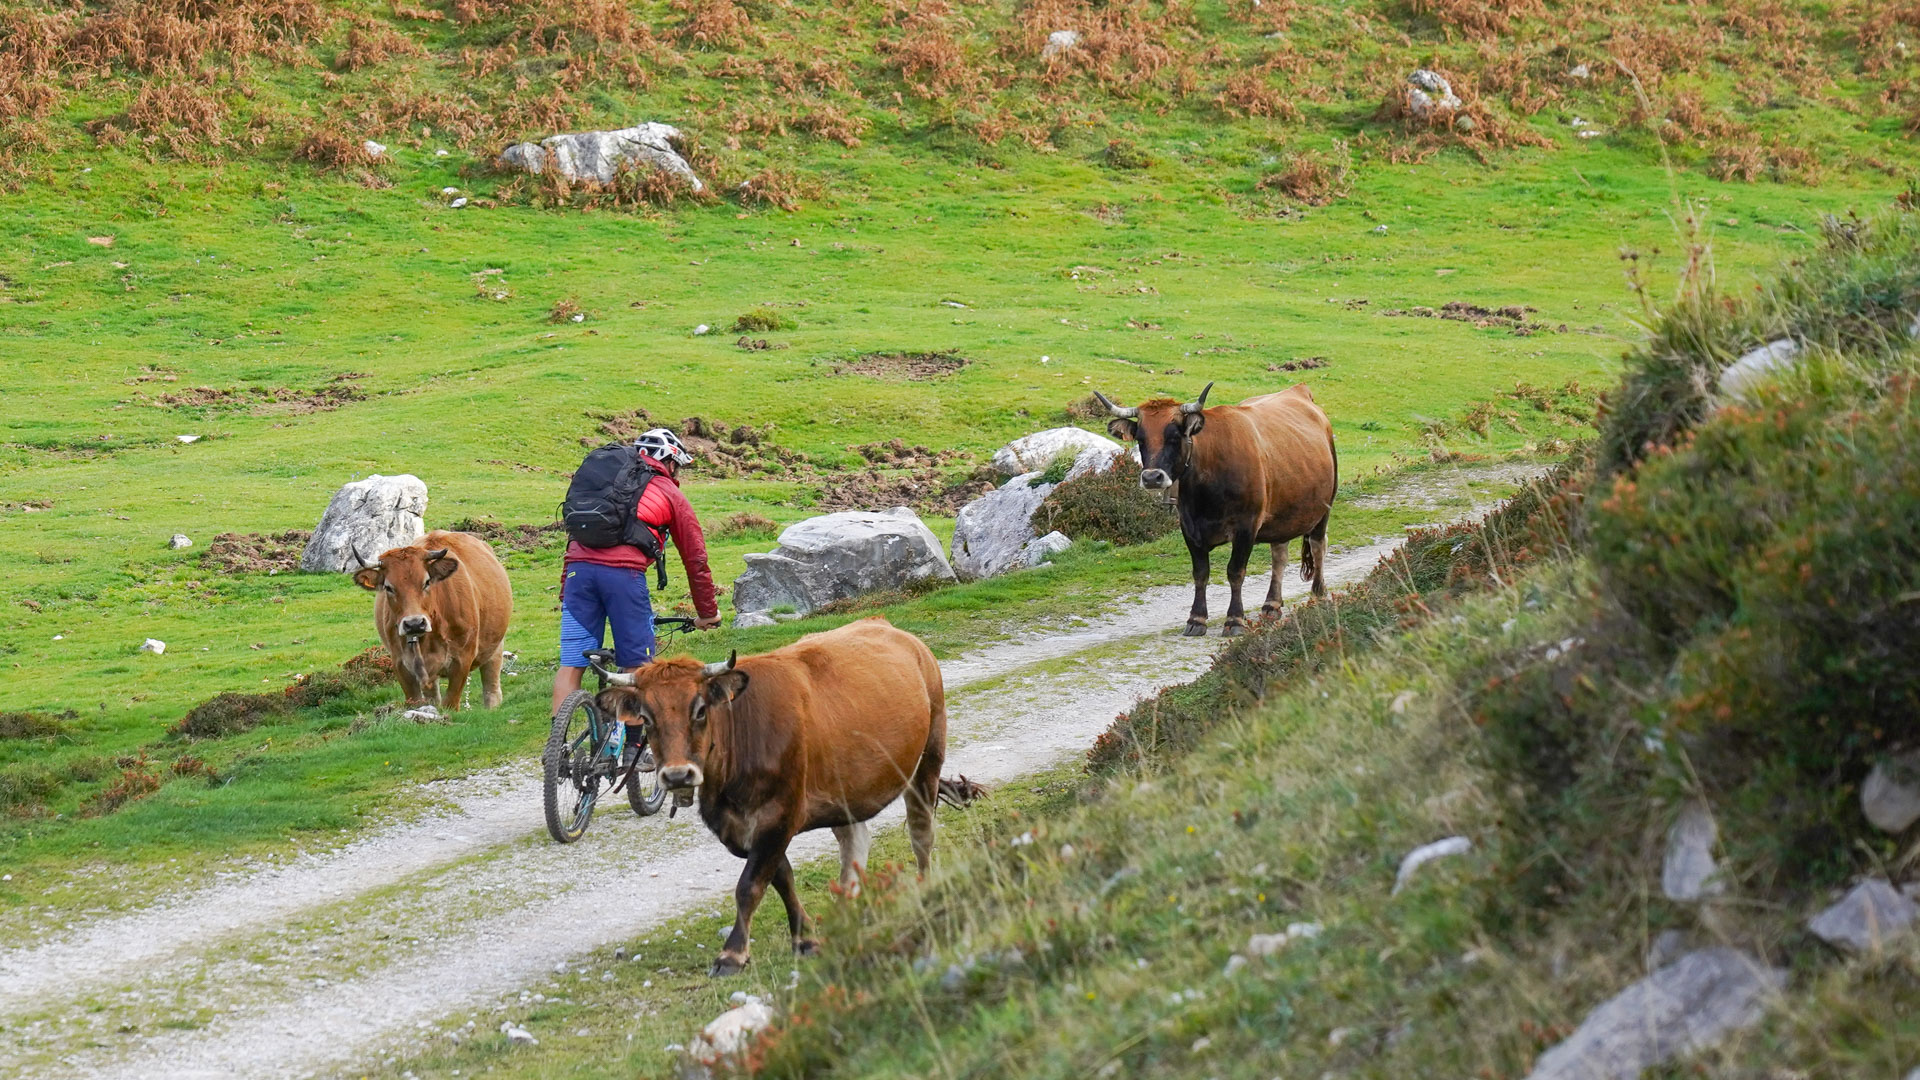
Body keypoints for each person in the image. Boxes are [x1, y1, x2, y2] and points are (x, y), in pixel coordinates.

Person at [552, 428, 721, 722]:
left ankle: (557, 743)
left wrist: (567, 591)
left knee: (571, 664)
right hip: (624, 580)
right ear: (670, 461)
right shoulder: (667, 490)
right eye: (677, 466)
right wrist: (707, 612)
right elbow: (695, 559)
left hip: (579, 575)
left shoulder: (601, 481)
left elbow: (574, 539)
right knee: (637, 666)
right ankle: (631, 748)